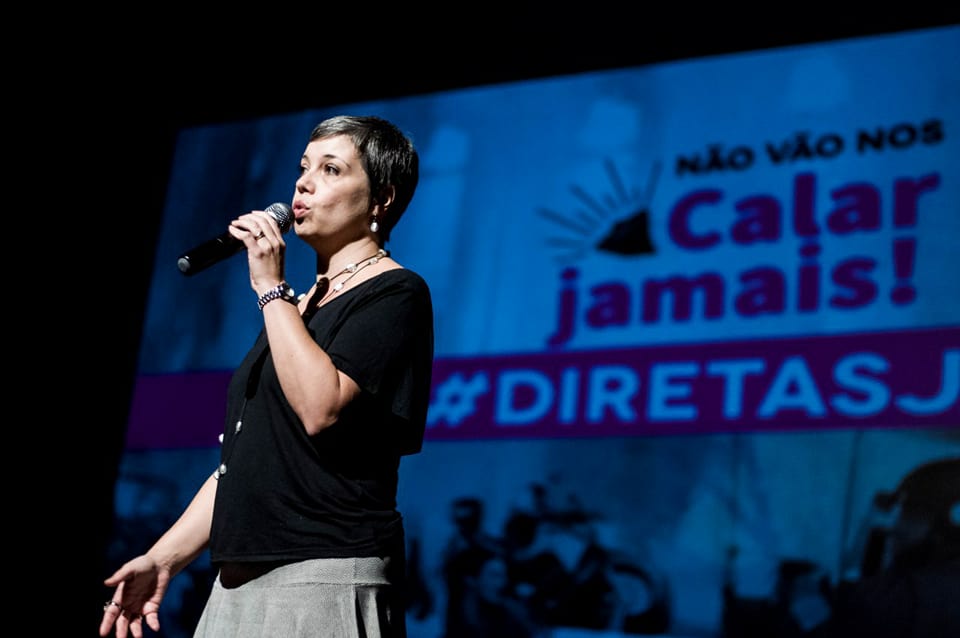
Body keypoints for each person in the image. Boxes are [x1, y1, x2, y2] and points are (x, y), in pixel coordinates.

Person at [99, 114, 434, 638]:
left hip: (320, 580)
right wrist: (163, 559)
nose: (303, 182)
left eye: (330, 169)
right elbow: (246, 463)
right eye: (303, 167)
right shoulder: (295, 311)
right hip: (235, 588)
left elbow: (321, 408)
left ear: (381, 199)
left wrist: (270, 288)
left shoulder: (394, 293)